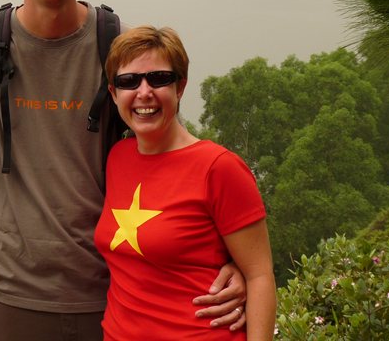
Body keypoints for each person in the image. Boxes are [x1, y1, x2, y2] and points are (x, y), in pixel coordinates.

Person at [0, 0, 248, 341]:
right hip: (5, 298)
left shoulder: (118, 48)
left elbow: (175, 157)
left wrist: (236, 260)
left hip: (113, 297)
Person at [96, 26, 276, 340]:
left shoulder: (219, 168)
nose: (144, 92)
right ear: (113, 93)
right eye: (129, 81)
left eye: (159, 78)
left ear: (180, 87)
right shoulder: (118, 158)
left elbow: (259, 276)